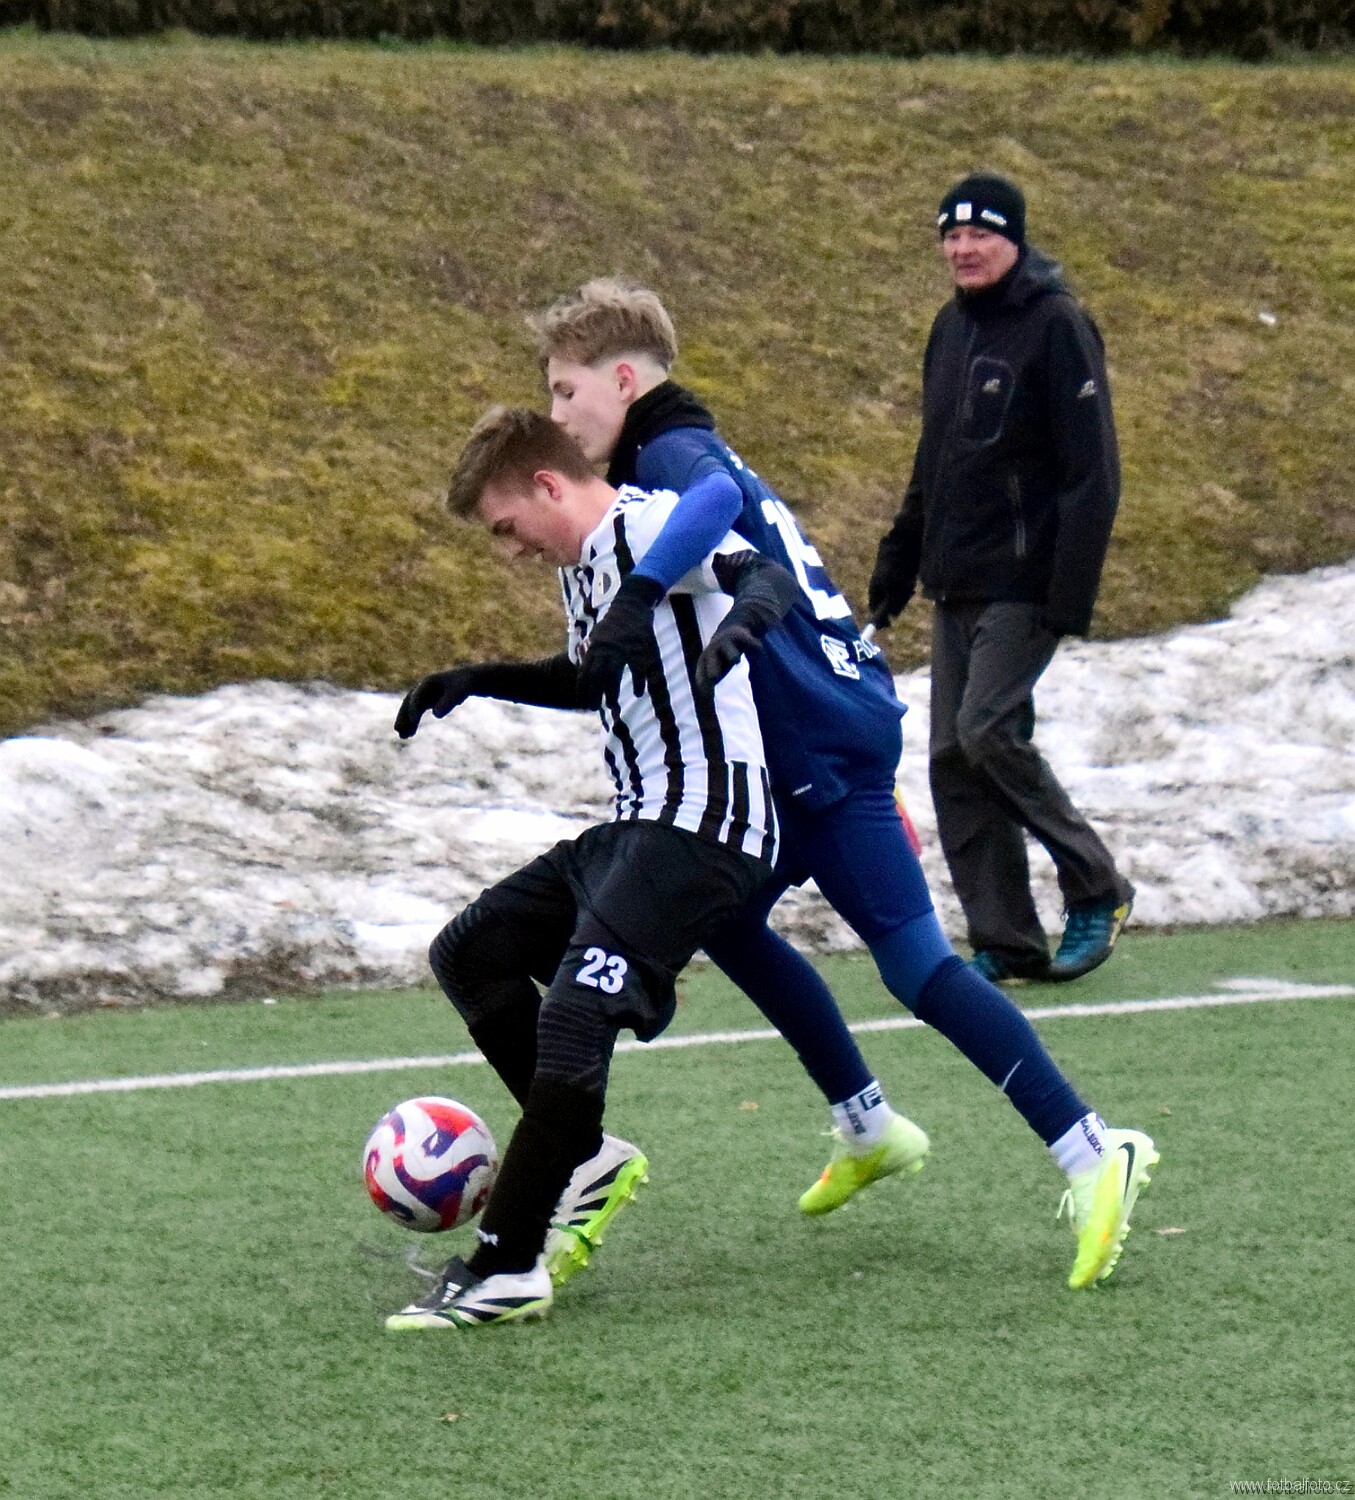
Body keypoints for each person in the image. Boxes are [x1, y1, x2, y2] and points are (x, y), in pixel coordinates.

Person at [531, 277, 1158, 1290]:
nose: (557, 415)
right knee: (725, 920)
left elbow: (715, 504)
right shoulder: (666, 451)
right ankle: (867, 1125)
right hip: (814, 742)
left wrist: (638, 596)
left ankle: (1092, 1150)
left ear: (624, 380)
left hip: (815, 752)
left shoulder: (671, 451)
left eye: (567, 391)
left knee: (916, 970)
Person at [387, 405, 824, 1329]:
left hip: (705, 826)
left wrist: (740, 623)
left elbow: (763, 570)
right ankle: (582, 1158)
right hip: (637, 826)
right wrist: (477, 678)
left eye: (507, 527)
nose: (511, 550)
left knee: (575, 1016)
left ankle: (506, 1264)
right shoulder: (585, 566)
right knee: (471, 951)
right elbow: (595, 678)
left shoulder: (648, 526)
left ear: (548, 485)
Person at [869, 173, 1137, 988]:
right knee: (953, 757)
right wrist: (900, 557)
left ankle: (1096, 886)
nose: (963, 248)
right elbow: (934, 460)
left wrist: (1068, 592)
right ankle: (1007, 939)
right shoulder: (949, 329)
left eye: (979, 234)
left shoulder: (1056, 324)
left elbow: (1092, 473)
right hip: (956, 578)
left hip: (1026, 580)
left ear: (1013, 240)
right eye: (950, 235)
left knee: (987, 731)